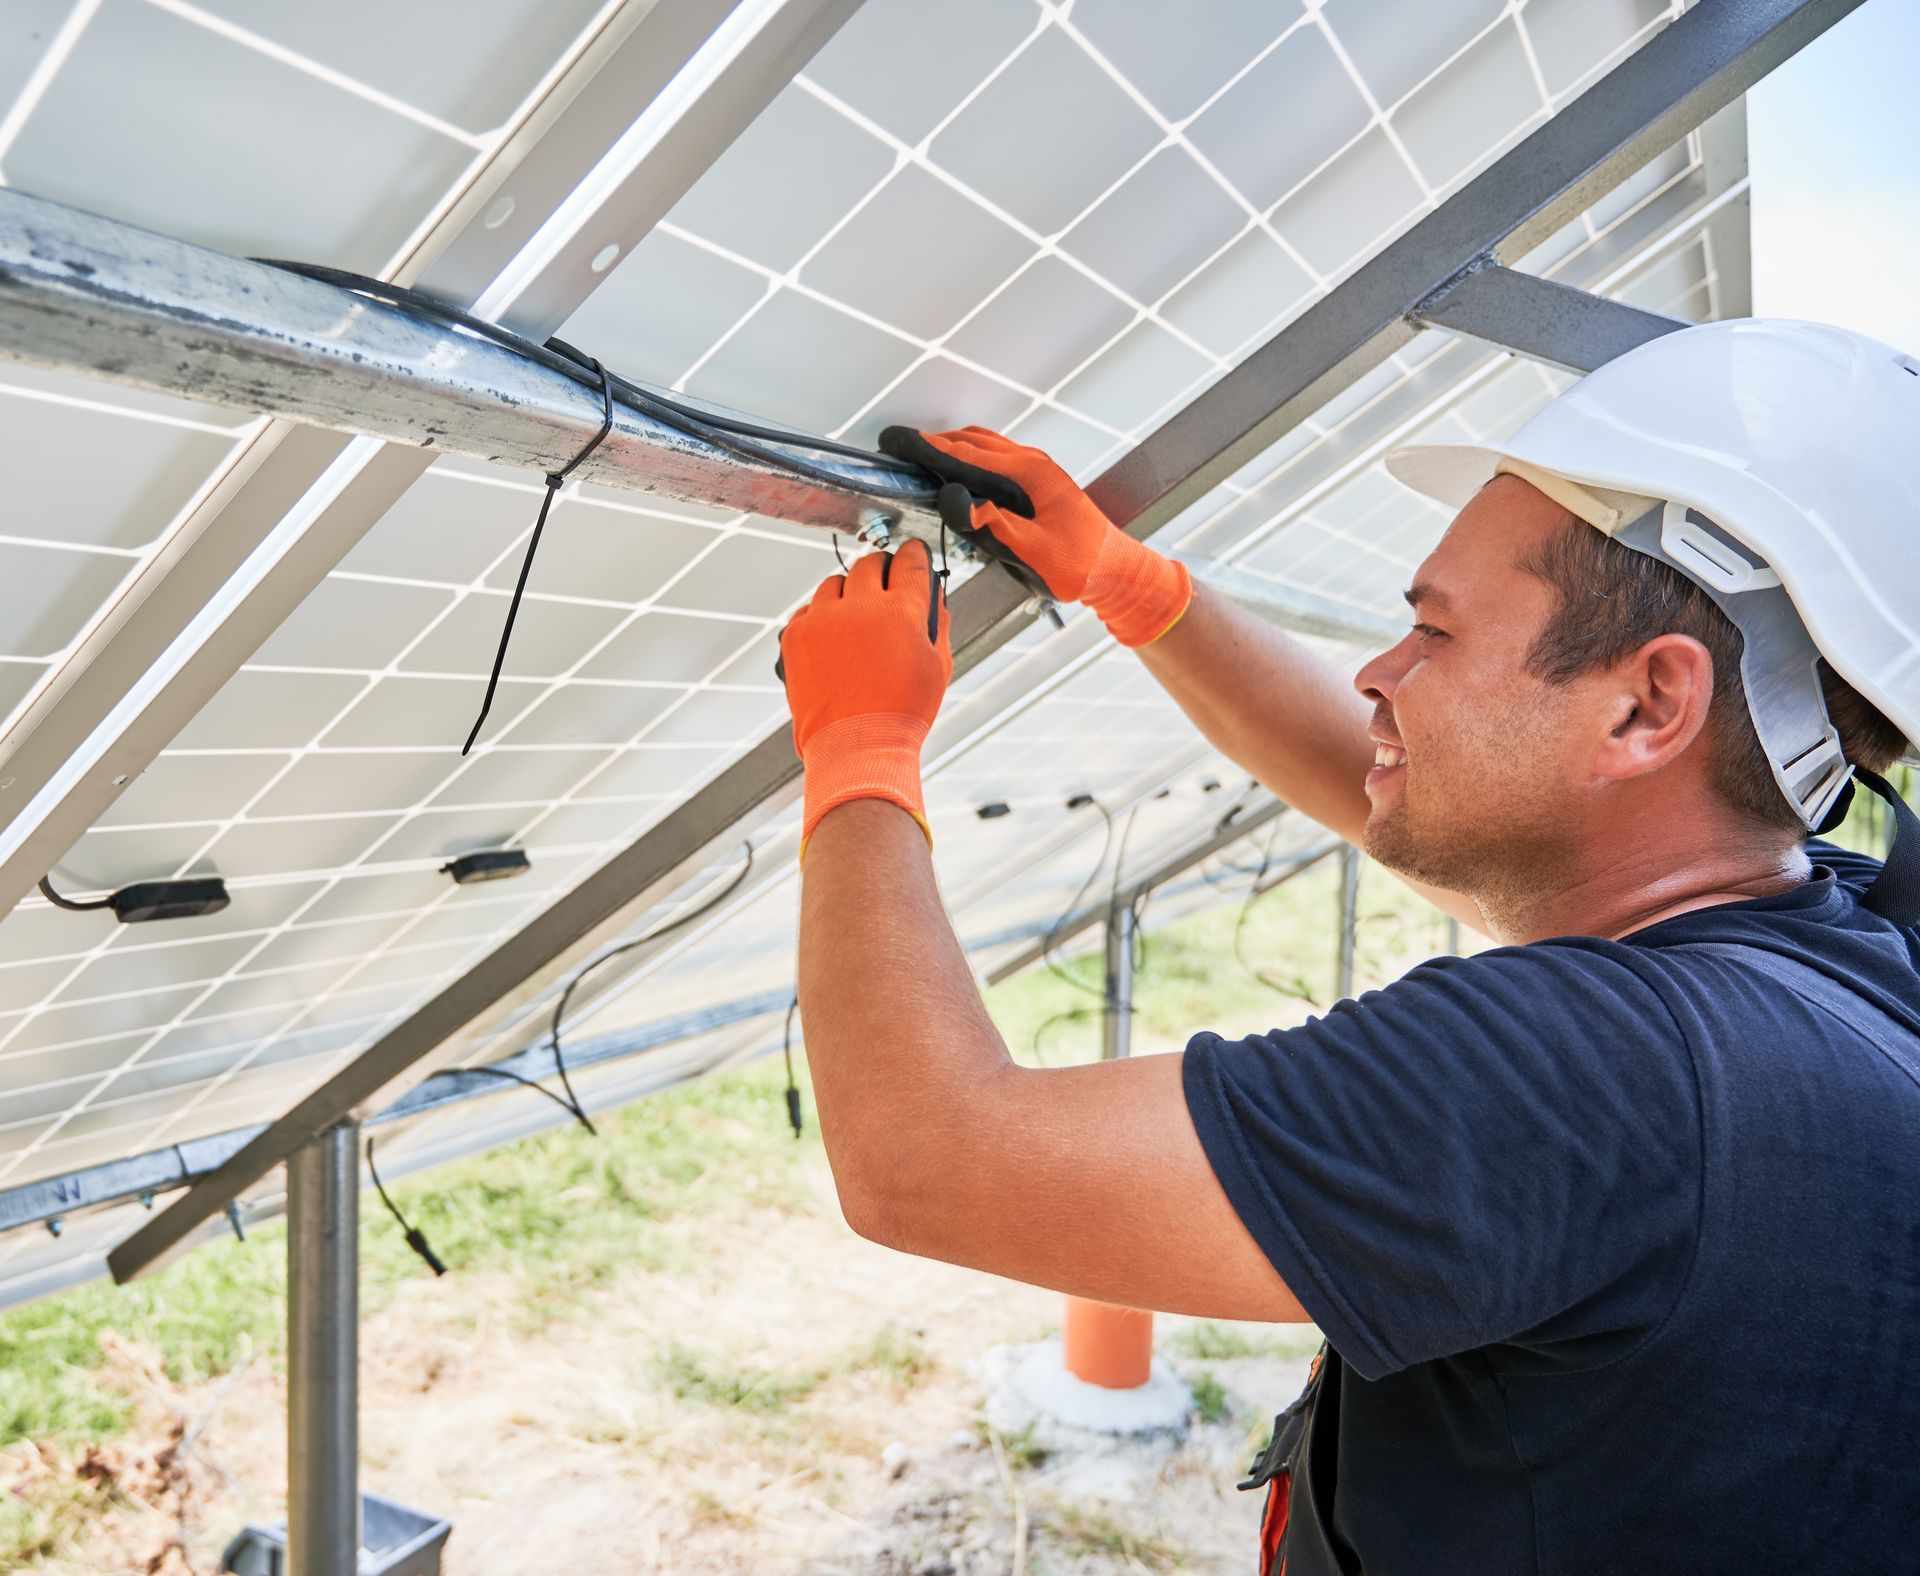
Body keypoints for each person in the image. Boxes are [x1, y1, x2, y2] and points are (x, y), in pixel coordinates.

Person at [775, 318, 1920, 1573]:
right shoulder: (1830, 952)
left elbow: (923, 1158)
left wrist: (861, 746)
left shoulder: (1600, 1077)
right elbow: (1408, 791)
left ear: (1650, 703)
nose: (1381, 670)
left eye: (1435, 634)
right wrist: (1128, 582)